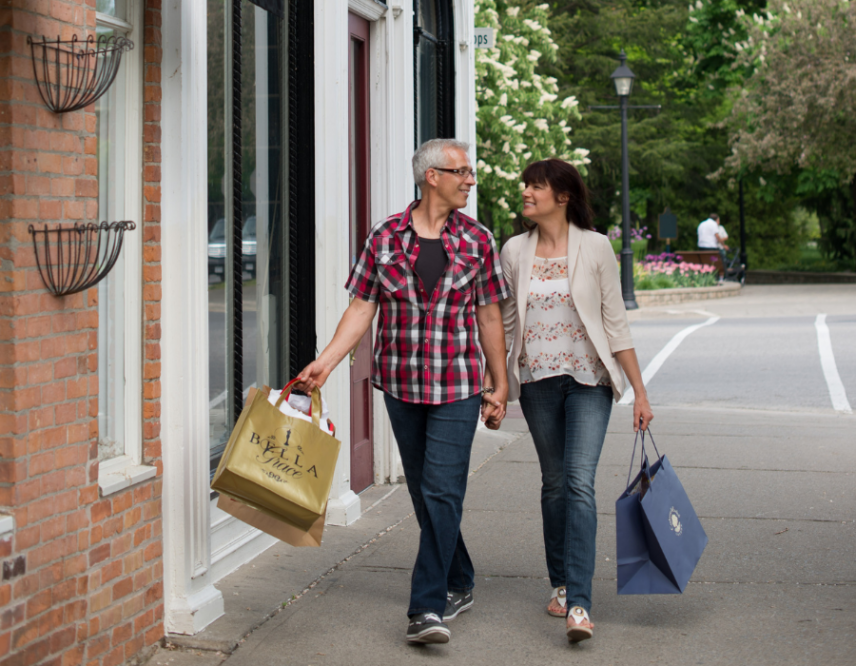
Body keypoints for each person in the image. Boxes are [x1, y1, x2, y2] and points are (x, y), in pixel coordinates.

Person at [296, 138, 509, 646]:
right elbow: (362, 307)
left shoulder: (478, 239)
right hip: (401, 383)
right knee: (424, 490)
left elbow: (488, 314)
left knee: (441, 489)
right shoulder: (385, 236)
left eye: (470, 172)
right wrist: (325, 363)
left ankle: (426, 607)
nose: (470, 180)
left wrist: (499, 383)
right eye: (461, 172)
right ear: (431, 176)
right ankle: (459, 577)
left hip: (457, 383)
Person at [496, 158, 653, 644]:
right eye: (526, 184)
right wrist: (498, 385)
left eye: (536, 186)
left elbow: (615, 323)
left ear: (562, 197)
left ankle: (580, 604)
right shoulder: (514, 251)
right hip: (538, 379)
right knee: (555, 483)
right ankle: (561, 584)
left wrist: (640, 392)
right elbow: (503, 324)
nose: (526, 192)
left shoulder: (597, 246)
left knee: (579, 482)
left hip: (589, 380)